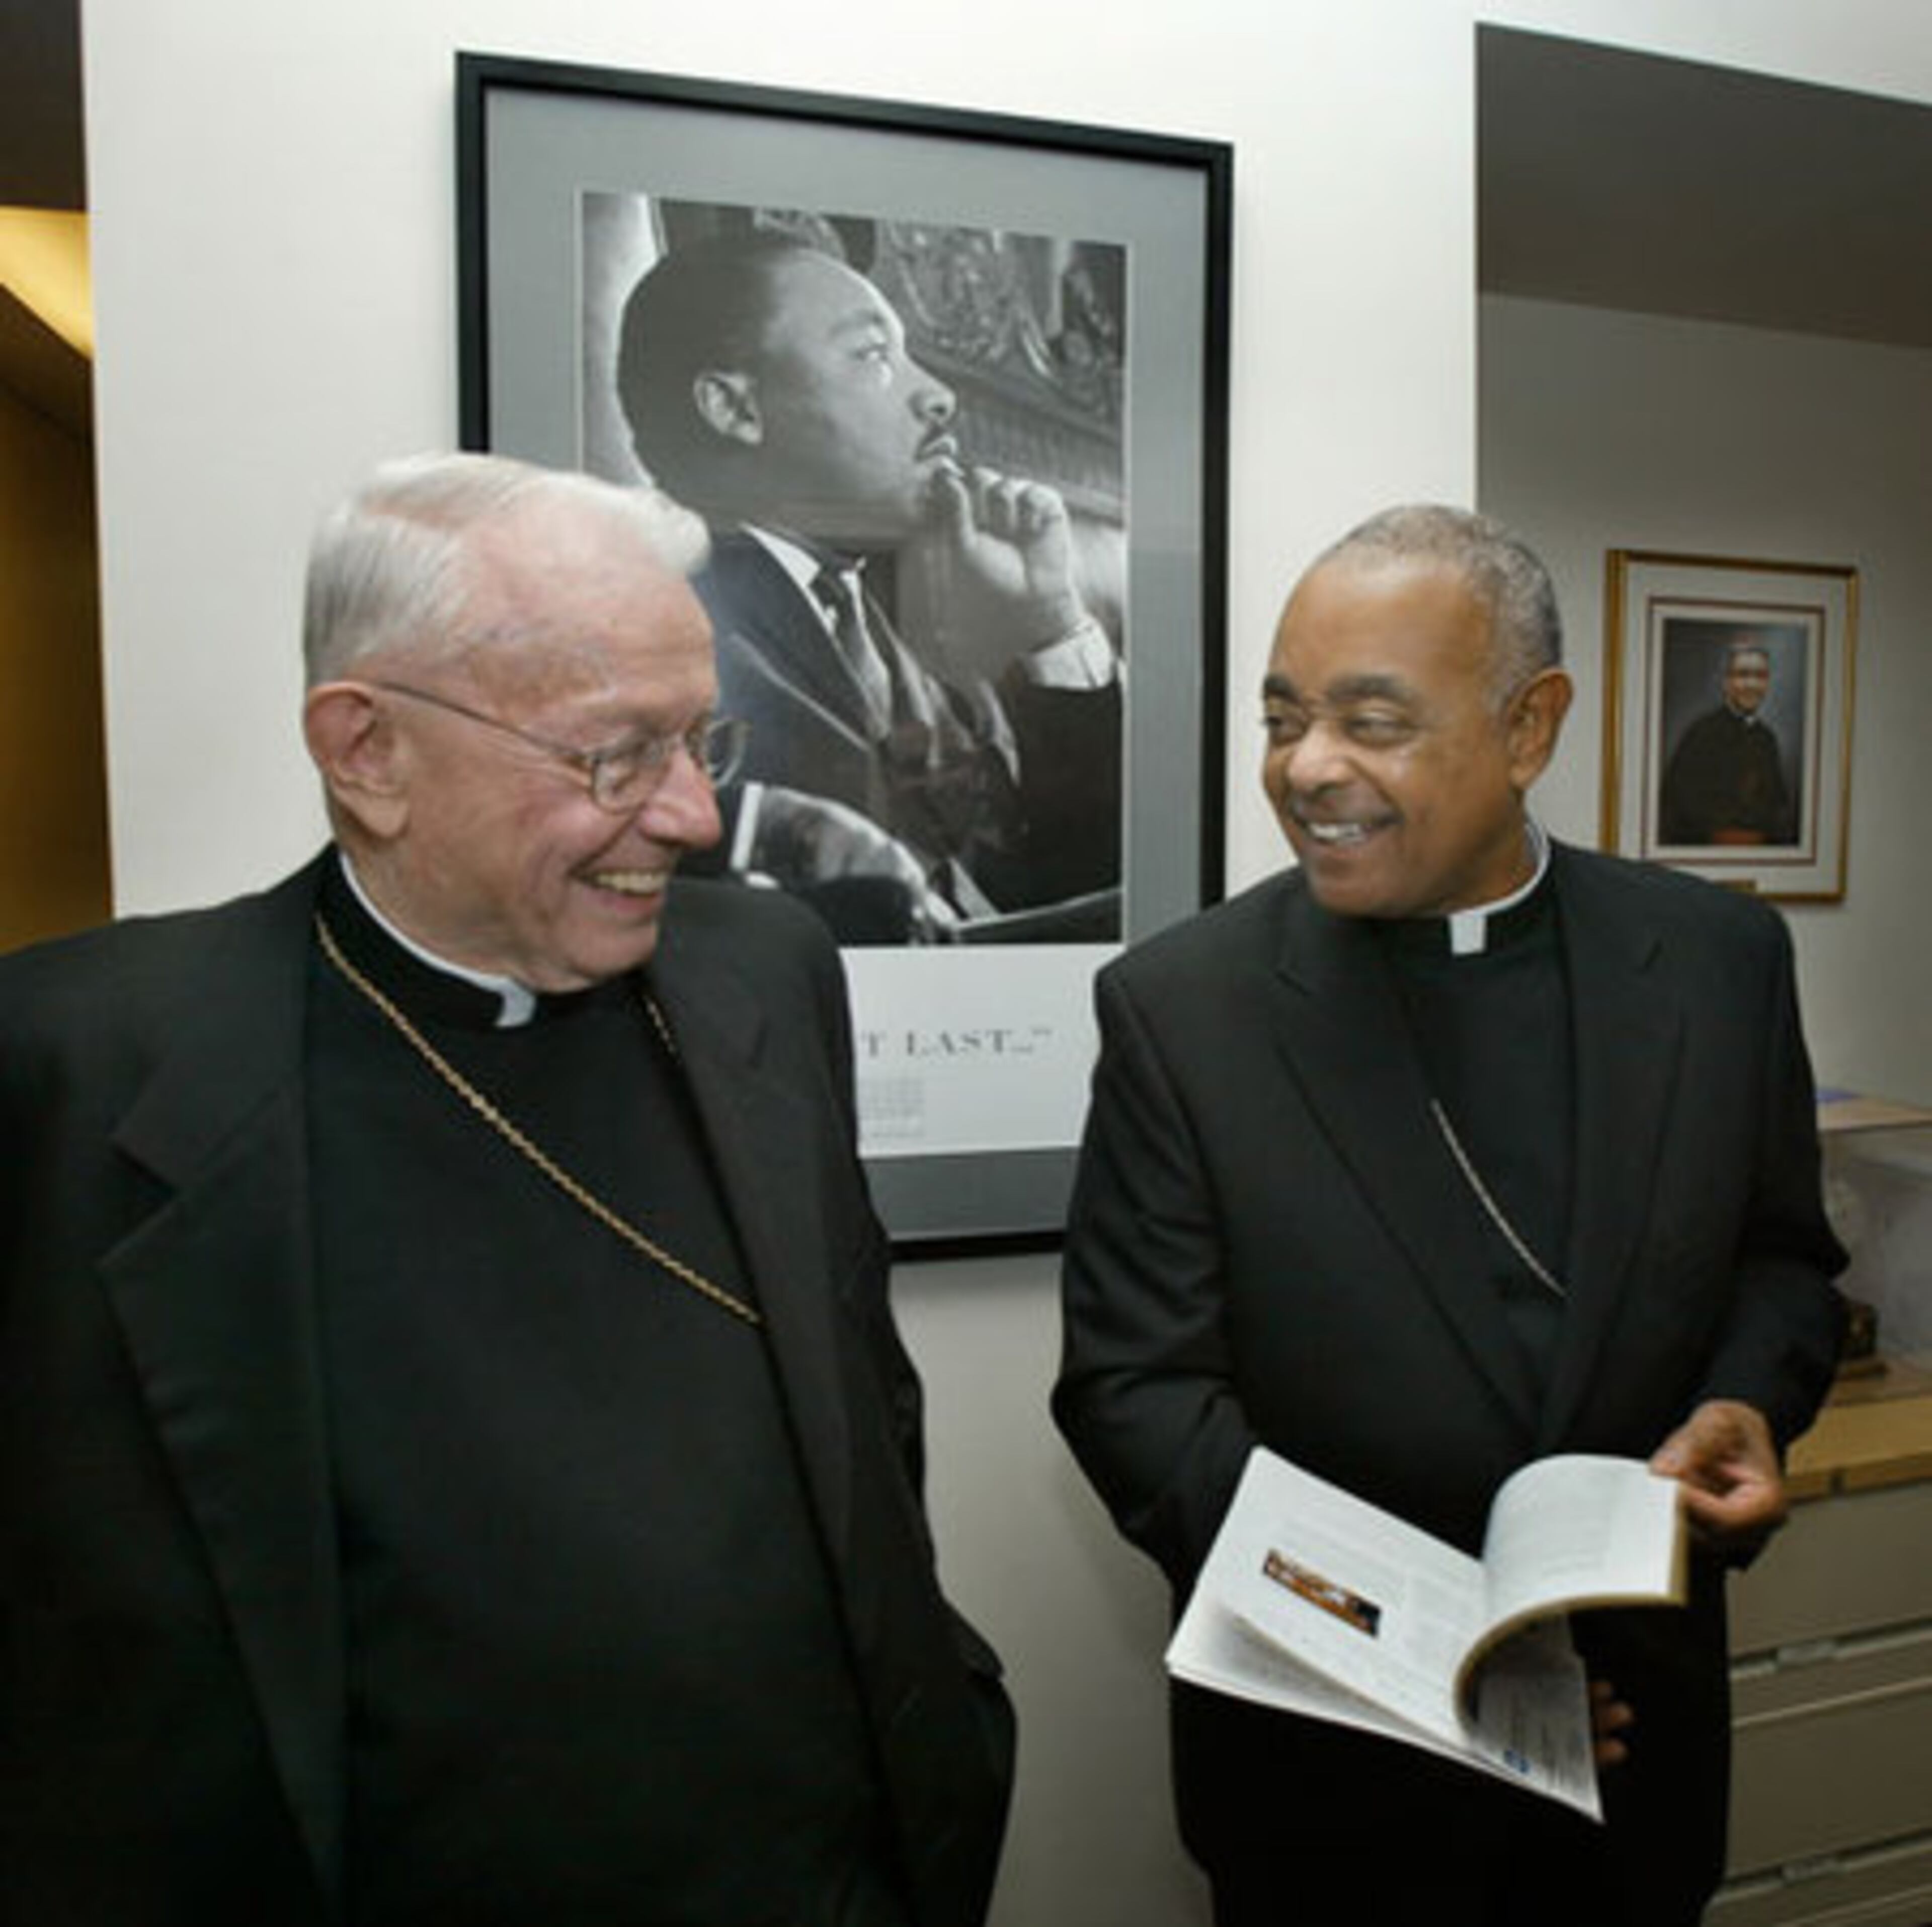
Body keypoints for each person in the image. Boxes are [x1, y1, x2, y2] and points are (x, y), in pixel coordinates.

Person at [0, 452, 1014, 1926]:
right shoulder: (70, 1068)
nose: (692, 814)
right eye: (615, 754)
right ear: (367, 750)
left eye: (700, 738)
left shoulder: (767, 972)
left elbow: (867, 1416)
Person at [1053, 504, 1845, 1926]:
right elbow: (1137, 1396)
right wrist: (1417, 1653)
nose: (1306, 766)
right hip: (1331, 1778)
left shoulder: (1717, 962)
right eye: (1283, 717)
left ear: (1528, 727)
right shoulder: (1184, 1009)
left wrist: (1748, 1400)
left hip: (1636, 1758)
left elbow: (1780, 1259)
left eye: (1370, 721)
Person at [614, 230, 1122, 943]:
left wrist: (1052, 622)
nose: (940, 397)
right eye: (875, 354)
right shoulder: (647, 637)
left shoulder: (929, 633)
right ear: (735, 410)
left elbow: (1080, 874)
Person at [1658, 636, 1795, 845]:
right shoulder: (1701, 734)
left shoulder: (1768, 739)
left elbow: (1778, 808)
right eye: (1743, 675)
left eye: (1760, 676)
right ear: (1727, 683)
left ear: (1767, 684)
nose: (1751, 684)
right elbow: (1678, 809)